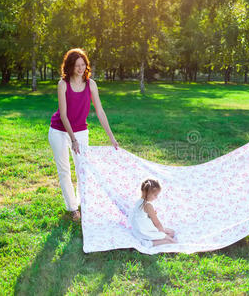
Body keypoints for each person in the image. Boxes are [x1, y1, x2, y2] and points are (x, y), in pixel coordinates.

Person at [48, 48, 118, 221]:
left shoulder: (91, 84)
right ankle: (72, 208)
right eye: (77, 65)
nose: (81, 68)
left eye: (83, 64)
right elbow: (63, 115)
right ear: (70, 66)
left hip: (80, 131)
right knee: (64, 170)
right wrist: (73, 139)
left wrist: (112, 137)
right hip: (59, 130)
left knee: (83, 169)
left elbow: (100, 112)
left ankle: (83, 202)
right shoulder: (63, 84)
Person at [130, 179, 176, 247]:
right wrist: (163, 235)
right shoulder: (148, 205)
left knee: (171, 232)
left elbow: (141, 216)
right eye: (155, 195)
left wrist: (150, 215)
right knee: (171, 239)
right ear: (147, 193)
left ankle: (150, 240)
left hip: (137, 230)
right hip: (144, 231)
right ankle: (150, 243)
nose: (156, 197)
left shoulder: (139, 201)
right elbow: (157, 223)